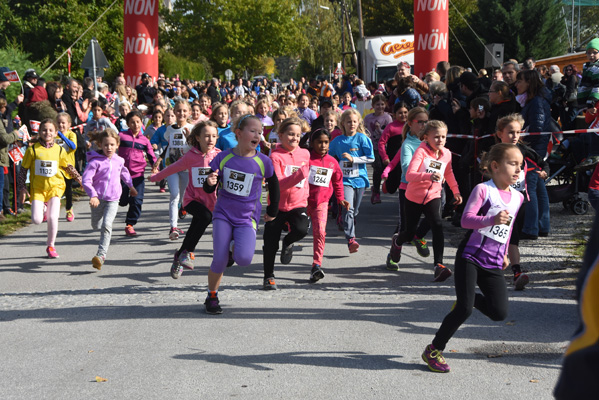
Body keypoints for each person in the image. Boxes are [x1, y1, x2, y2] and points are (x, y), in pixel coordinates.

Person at [421, 143, 524, 373]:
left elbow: (508, 228)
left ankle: (469, 298)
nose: (518, 169)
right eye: (513, 164)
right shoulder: (483, 190)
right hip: (471, 256)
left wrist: (506, 251)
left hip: (494, 261)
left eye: (521, 165)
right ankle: (434, 350)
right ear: (495, 166)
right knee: (464, 310)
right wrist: (490, 219)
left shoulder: (517, 197)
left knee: (499, 313)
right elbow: (466, 220)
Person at [202, 114, 280, 314]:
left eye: (260, 132)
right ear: (238, 133)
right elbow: (209, 183)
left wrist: (272, 211)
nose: (257, 135)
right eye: (252, 131)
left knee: (244, 259)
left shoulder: (263, 161)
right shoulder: (224, 157)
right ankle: (212, 295)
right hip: (223, 214)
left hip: (247, 217)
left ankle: (232, 246)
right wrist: (210, 183)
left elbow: (274, 184)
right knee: (219, 259)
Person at [387, 120, 462, 281]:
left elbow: (448, 173)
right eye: (436, 137)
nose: (440, 140)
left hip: (433, 196)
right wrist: (429, 176)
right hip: (413, 197)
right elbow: (409, 175)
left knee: (437, 225)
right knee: (408, 234)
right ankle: (397, 242)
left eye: (443, 137)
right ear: (426, 137)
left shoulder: (446, 154)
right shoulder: (421, 151)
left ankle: (438, 265)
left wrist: (455, 191)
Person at [150, 121, 221, 278]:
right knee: (205, 217)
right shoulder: (191, 156)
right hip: (191, 200)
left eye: (214, 136)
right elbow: (172, 168)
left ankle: (180, 256)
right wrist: (156, 177)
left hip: (211, 202)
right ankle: (187, 253)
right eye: (207, 136)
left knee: (195, 229)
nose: (211, 139)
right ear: (198, 137)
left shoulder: (219, 155)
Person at [495, 113, 548, 290]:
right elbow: (485, 175)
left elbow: (542, 162)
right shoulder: (496, 152)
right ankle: (498, 269)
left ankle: (516, 271)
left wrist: (543, 172)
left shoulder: (524, 150)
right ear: (499, 133)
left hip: (519, 201)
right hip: (500, 202)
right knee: (502, 236)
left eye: (518, 132)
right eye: (510, 132)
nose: (515, 136)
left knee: (512, 238)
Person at [17, 119, 81, 258]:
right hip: (38, 189)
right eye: (44, 130)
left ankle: (51, 246)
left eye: (51, 130)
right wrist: (22, 188)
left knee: (53, 218)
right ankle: (44, 208)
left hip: (55, 188)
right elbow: (23, 170)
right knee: (36, 220)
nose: (47, 132)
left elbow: (67, 167)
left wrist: (79, 179)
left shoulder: (59, 150)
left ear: (56, 133)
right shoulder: (33, 149)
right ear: (39, 132)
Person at [262, 117, 310, 290]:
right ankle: (269, 277)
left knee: (301, 230)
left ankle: (288, 242)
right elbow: (278, 184)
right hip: (277, 205)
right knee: (270, 243)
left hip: (298, 203)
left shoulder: (305, 154)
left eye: (298, 135)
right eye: (290, 134)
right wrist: (299, 175)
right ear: (280, 135)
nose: (295, 138)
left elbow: (307, 179)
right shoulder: (275, 157)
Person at [381, 107, 432, 270]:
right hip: (408, 188)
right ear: (410, 124)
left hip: (428, 188)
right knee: (404, 227)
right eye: (420, 122)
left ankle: (418, 236)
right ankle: (394, 255)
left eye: (426, 122)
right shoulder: (408, 144)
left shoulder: (431, 142)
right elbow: (402, 165)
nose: (424, 125)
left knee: (435, 217)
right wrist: (386, 171)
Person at [82, 129, 136, 270]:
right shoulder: (95, 162)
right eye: (106, 145)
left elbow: (124, 172)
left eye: (112, 144)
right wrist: (93, 195)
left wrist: (131, 186)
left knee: (107, 225)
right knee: (96, 225)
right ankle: (99, 231)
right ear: (100, 145)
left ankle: (101, 255)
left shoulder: (119, 160)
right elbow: (86, 180)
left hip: (113, 199)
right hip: (98, 200)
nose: (109, 148)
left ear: (117, 144)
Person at [328, 108, 374, 253]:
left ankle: (343, 218)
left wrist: (354, 159)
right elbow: (329, 157)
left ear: (358, 122)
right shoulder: (337, 141)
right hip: (344, 181)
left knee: (354, 211)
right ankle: (351, 239)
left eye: (354, 121)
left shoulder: (362, 139)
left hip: (360, 179)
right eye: (349, 122)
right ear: (343, 123)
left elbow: (371, 157)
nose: (352, 124)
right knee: (349, 208)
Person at [307, 128, 349, 281]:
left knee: (320, 232)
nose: (323, 145)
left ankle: (316, 265)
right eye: (319, 142)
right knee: (297, 230)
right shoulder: (307, 159)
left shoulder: (332, 162)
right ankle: (288, 245)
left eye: (326, 142)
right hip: (303, 202)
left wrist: (341, 198)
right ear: (312, 143)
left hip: (322, 203)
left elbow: (338, 181)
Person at [515, 69, 552, 239]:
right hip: (536, 147)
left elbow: (537, 128)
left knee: (531, 188)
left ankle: (531, 228)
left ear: (528, 83)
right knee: (538, 187)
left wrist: (521, 135)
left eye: (519, 81)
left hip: (534, 149)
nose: (516, 84)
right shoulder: (533, 101)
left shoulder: (536, 102)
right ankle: (542, 226)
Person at [154, 100, 194, 239]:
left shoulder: (192, 128)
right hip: (171, 166)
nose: (181, 113)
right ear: (174, 112)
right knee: (174, 195)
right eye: (178, 111)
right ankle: (173, 227)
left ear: (188, 112)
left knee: (182, 196)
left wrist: (189, 138)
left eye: (184, 111)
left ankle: (183, 206)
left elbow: (196, 148)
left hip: (186, 167)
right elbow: (168, 144)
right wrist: (160, 160)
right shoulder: (169, 129)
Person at [118, 110, 157, 236]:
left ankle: (130, 224)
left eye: (138, 122)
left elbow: (151, 155)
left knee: (137, 201)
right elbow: (110, 148)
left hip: (138, 175)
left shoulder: (144, 140)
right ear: (128, 123)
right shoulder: (121, 136)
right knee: (123, 201)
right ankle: (124, 199)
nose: (135, 125)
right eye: (132, 122)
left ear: (142, 123)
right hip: (122, 175)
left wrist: (155, 167)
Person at [363, 94, 393, 204]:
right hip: (373, 147)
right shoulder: (368, 118)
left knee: (384, 168)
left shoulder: (387, 118)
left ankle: (380, 187)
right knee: (378, 168)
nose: (380, 106)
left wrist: (379, 130)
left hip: (384, 147)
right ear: (373, 105)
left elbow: (389, 133)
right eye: (377, 104)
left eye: (382, 104)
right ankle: (376, 192)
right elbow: (364, 130)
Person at [56, 113, 78, 222]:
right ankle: (50, 210)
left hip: (68, 168)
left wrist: (62, 136)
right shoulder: (54, 135)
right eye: (58, 123)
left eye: (63, 123)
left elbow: (73, 146)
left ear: (69, 124)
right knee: (54, 189)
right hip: (56, 168)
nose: (61, 125)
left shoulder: (71, 135)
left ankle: (69, 209)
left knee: (68, 191)